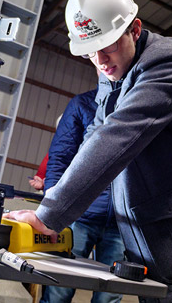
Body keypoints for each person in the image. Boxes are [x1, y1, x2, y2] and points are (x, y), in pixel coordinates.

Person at [5, 0, 172, 302]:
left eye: (108, 47)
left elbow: (118, 135)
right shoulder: (114, 69)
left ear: (135, 29)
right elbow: (97, 134)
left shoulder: (170, 63)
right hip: (155, 240)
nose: (101, 60)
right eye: (91, 53)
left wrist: (48, 214)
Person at [41, 86, 124, 303]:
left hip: (123, 224)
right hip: (78, 217)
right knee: (59, 289)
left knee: (109, 296)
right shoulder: (81, 104)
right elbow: (59, 156)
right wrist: (51, 211)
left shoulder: (139, 104)